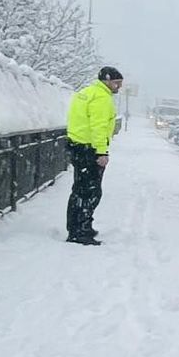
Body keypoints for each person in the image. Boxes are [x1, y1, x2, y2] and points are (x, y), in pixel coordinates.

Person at [65, 66, 123, 245]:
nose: (118, 87)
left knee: (79, 190)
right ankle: (81, 231)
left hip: (77, 146)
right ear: (106, 80)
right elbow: (98, 126)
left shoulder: (85, 93)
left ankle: (77, 226)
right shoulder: (101, 98)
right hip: (90, 150)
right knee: (91, 192)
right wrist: (101, 152)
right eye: (116, 83)